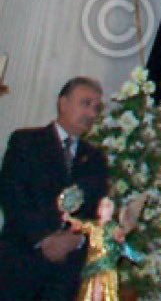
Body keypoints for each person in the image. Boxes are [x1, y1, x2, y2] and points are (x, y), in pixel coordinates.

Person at [0, 77, 110, 300]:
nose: (91, 114)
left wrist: (75, 239)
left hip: (66, 275)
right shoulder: (26, 142)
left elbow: (98, 213)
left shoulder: (96, 159)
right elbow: (13, 195)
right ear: (63, 103)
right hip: (22, 260)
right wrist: (46, 239)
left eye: (96, 108)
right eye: (85, 103)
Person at [61, 196, 144, 301]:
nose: (101, 208)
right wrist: (69, 218)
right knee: (90, 294)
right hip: (92, 267)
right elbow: (81, 225)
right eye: (100, 205)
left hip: (106, 266)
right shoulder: (93, 225)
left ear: (111, 210)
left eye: (105, 205)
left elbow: (120, 238)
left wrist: (121, 237)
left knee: (103, 293)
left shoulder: (113, 227)